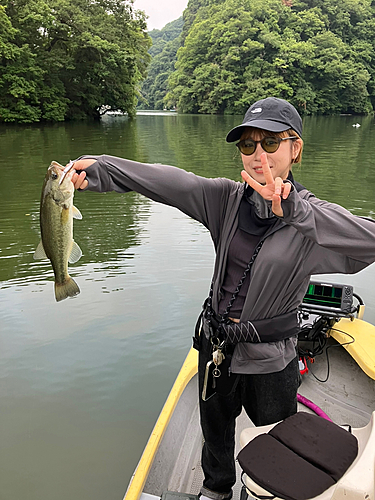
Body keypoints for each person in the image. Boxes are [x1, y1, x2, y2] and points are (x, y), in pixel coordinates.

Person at [71, 97, 375, 500]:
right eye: (248, 145)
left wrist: (296, 211)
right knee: (214, 433)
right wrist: (102, 169)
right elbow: (168, 181)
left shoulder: (312, 222)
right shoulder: (225, 200)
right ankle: (217, 490)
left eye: (269, 143)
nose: (257, 155)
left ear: (295, 149)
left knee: (276, 439)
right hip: (215, 348)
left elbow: (369, 240)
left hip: (270, 358)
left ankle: (267, 490)